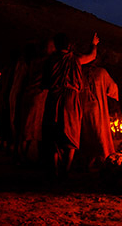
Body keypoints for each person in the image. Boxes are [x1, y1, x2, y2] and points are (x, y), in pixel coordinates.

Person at [42, 32, 98, 177]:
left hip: (54, 98)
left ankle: (54, 169)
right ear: (68, 45)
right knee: (71, 132)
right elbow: (92, 56)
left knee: (53, 133)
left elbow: (45, 83)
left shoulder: (50, 61)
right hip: (71, 99)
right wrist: (94, 45)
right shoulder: (76, 58)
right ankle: (66, 169)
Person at [15, 40, 54, 163]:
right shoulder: (45, 62)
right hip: (37, 96)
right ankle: (22, 155)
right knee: (30, 128)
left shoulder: (31, 62)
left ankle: (24, 154)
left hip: (30, 95)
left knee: (29, 127)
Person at [79, 57, 119, 170]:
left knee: (87, 133)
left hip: (83, 107)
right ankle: (98, 158)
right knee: (98, 133)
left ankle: (89, 159)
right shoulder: (101, 72)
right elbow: (112, 89)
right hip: (96, 108)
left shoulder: (80, 72)